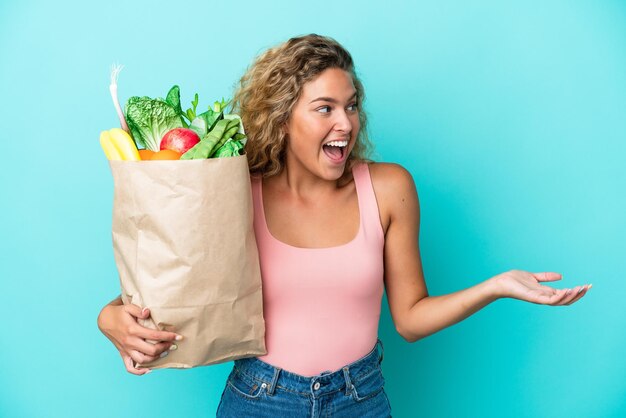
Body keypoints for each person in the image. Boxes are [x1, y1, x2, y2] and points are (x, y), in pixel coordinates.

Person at [97, 34, 591, 417]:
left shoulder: (389, 188)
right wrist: (110, 318)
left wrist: (496, 286)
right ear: (283, 117)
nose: (347, 123)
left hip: (362, 399)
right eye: (325, 108)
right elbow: (170, 289)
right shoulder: (235, 192)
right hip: (259, 398)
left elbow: (410, 317)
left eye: (352, 106)